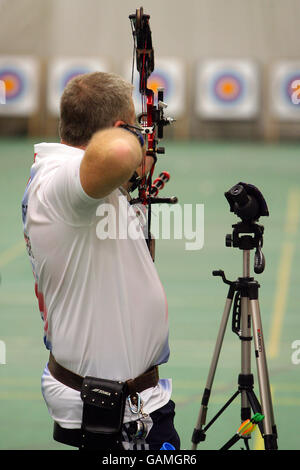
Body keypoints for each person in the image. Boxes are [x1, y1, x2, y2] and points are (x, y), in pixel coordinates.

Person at [22, 71, 180, 451]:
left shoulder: (82, 187)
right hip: (110, 410)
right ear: (116, 128)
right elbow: (120, 152)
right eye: (132, 127)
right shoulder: (60, 183)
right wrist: (135, 141)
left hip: (133, 402)